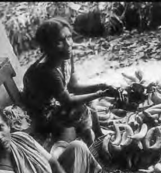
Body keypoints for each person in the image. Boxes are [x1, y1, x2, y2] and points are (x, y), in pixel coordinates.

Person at [22, 17, 117, 146]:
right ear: (47, 46)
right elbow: (68, 101)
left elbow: (74, 86)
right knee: (81, 107)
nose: (68, 44)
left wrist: (100, 86)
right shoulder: (47, 71)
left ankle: (97, 133)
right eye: (60, 41)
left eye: (69, 37)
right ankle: (89, 138)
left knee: (89, 100)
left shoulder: (66, 56)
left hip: (57, 103)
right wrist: (100, 93)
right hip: (43, 115)